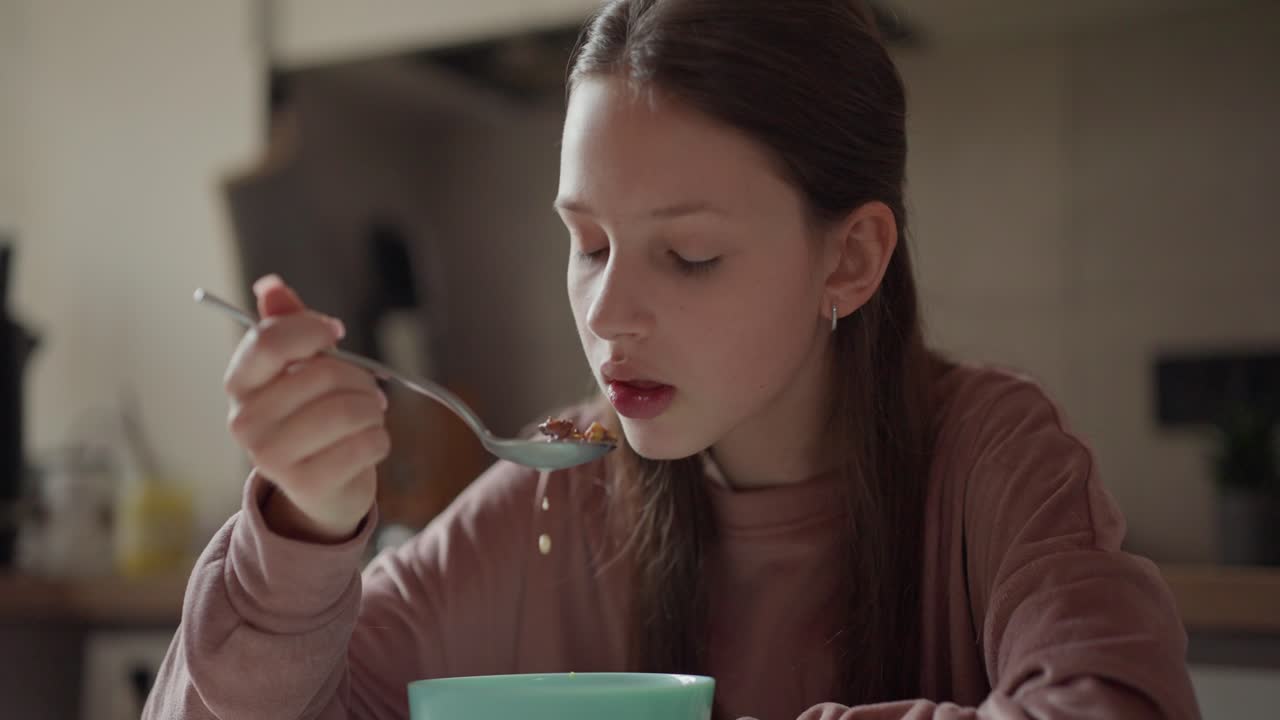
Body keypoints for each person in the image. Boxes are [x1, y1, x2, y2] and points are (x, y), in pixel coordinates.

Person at [144, 1, 1199, 718]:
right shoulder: (555, 499)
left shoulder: (990, 459)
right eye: (586, 243)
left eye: (688, 256)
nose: (607, 313)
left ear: (852, 257)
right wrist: (302, 531)